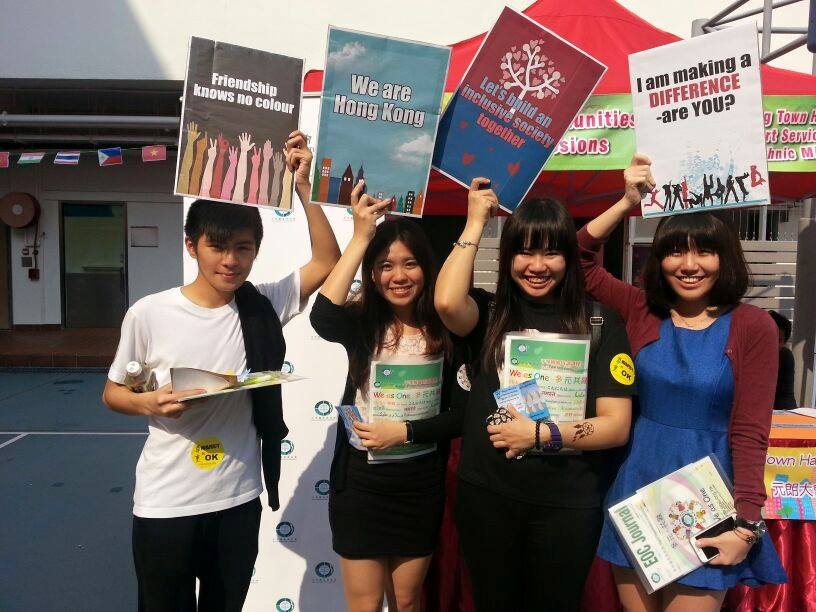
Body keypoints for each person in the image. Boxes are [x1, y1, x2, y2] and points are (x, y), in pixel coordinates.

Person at [102, 131, 340, 612]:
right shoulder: (149, 313)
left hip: (237, 497)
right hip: (166, 500)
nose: (231, 260)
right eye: (218, 246)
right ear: (191, 246)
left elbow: (327, 261)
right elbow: (113, 393)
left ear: (255, 251)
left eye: (244, 248)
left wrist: (303, 185)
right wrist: (149, 402)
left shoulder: (263, 304)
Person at [581, 155, 787, 611]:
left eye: (704, 251)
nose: (689, 264)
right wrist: (626, 202)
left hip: (708, 506)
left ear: (725, 258)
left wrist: (745, 526)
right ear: (660, 259)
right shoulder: (642, 309)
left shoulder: (752, 326)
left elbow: (752, 432)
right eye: (676, 251)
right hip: (636, 492)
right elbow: (579, 260)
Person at [433, 178, 635, 611]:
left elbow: (616, 426)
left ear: (569, 257)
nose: (537, 265)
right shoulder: (489, 313)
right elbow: (448, 302)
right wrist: (475, 221)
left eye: (551, 251)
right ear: (508, 258)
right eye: (524, 251)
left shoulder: (600, 322)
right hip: (487, 497)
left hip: (567, 504)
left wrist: (540, 435)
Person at [309, 181, 468, 612]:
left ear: (426, 268)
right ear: (372, 274)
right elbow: (322, 316)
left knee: (407, 599)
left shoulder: (448, 328)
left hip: (419, 486)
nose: (399, 276)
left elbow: (462, 416)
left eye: (410, 264)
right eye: (385, 266)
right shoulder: (362, 324)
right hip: (360, 485)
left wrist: (406, 431)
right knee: (363, 604)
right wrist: (361, 237)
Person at [769, 310, 796, 409]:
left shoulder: (785, 356)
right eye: (770, 337)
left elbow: (787, 397)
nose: (773, 343)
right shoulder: (745, 354)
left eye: (779, 340)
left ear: (784, 342)